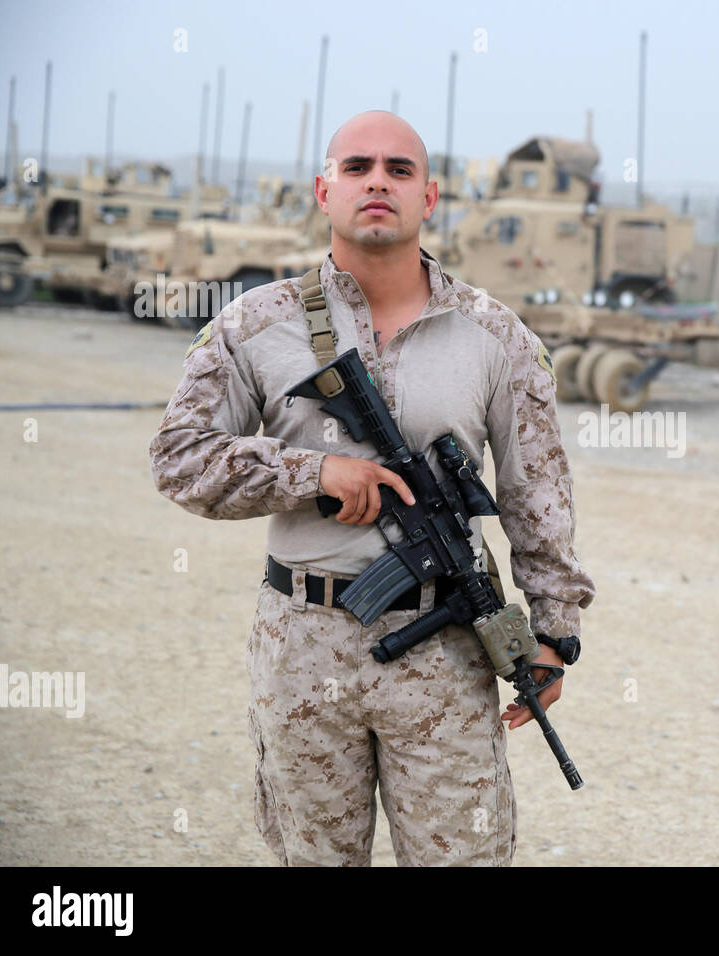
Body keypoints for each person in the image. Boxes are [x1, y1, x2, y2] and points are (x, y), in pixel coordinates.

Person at [148, 110, 595, 866]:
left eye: (399, 169)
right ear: (324, 191)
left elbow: (536, 496)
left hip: (446, 651)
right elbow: (179, 459)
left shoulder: (497, 336)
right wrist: (313, 473)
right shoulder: (258, 323)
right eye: (357, 168)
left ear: (432, 197)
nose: (378, 182)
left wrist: (553, 632)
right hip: (302, 644)